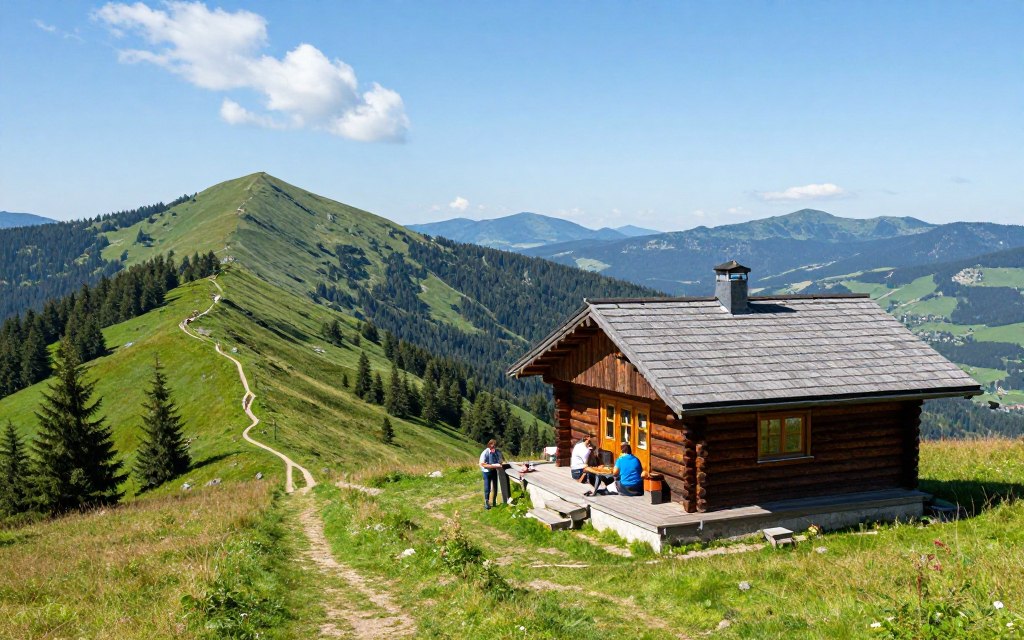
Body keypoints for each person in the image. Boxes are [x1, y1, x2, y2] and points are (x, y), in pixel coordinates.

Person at [479, 439, 504, 509]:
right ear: (489, 445)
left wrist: (500, 462)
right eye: (493, 446)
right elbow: (482, 464)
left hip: (494, 471)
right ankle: (486, 502)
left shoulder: (497, 452)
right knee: (487, 488)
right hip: (486, 472)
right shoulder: (485, 453)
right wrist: (493, 466)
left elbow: (501, 461)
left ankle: (494, 502)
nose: (494, 448)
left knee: (495, 487)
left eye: (495, 446)